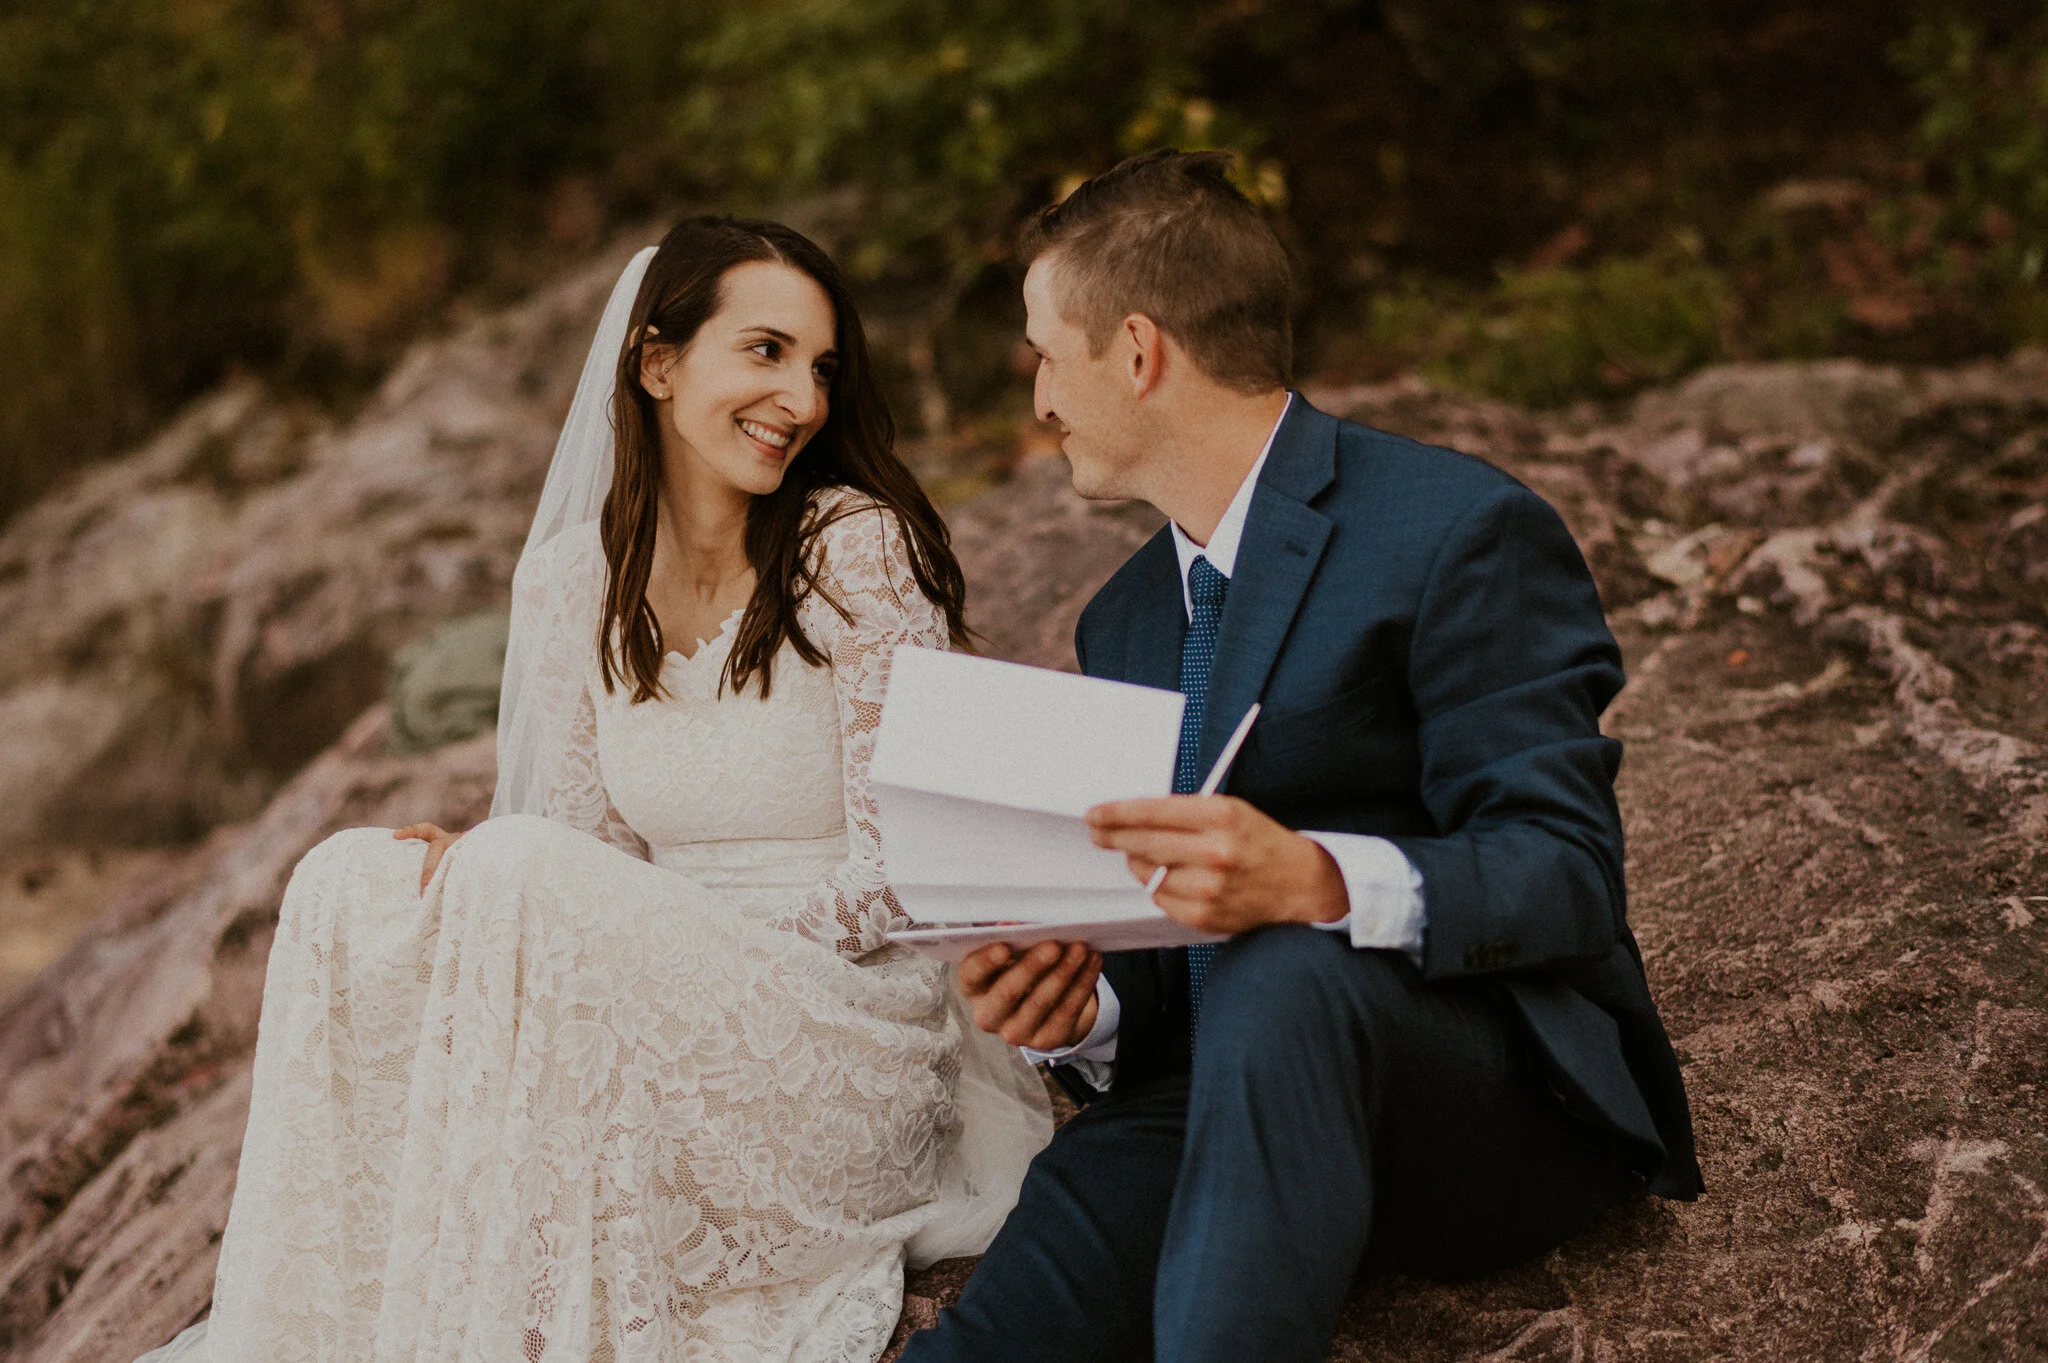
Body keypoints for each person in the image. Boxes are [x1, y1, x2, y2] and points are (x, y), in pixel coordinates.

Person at [137, 217, 1051, 1363]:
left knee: (512, 870)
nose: (803, 399)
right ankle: (324, 1317)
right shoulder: (574, 581)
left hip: (839, 1021)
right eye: (764, 352)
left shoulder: (852, 548)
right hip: (661, 1002)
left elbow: (906, 861)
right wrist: (478, 878)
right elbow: (584, 845)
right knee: (351, 881)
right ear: (657, 363)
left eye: (821, 367)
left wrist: (686, 944)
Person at [900, 150, 1703, 1363]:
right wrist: (1084, 1010)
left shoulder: (1454, 528)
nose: (1039, 400)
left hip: (1479, 1108)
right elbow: (1159, 969)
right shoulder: (1119, 619)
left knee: (1285, 969)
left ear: (1135, 349)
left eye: (1044, 354)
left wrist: (1315, 883)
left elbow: (1566, 872)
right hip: (1205, 1106)